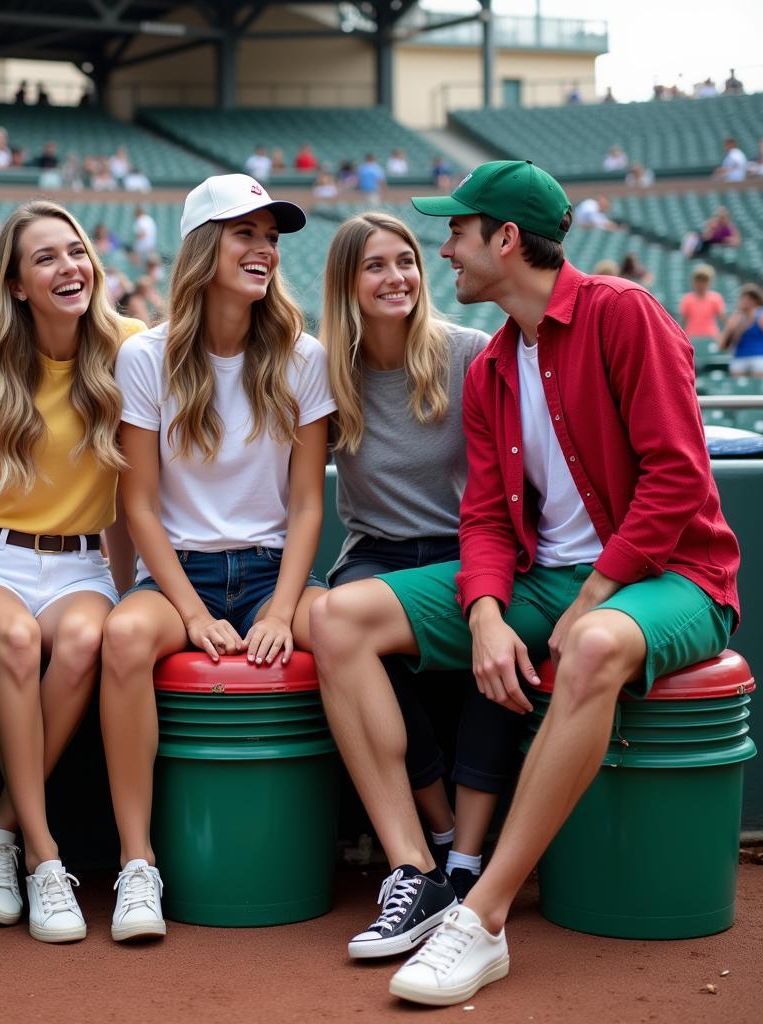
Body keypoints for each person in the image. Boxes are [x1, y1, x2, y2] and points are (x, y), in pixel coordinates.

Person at [310, 160, 739, 1006]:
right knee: (338, 619)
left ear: (506, 240)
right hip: (546, 579)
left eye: (457, 235)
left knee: (588, 644)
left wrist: (590, 597)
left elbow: (677, 480)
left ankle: (483, 919)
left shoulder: (624, 314)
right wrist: (483, 613)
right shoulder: (495, 362)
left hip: (673, 578)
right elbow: (486, 520)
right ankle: (421, 873)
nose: (445, 253)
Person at [100, 173, 335, 943]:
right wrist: (195, 613)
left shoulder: (304, 356)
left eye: (271, 237)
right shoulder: (145, 355)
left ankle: (396, 849)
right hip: (180, 578)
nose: (264, 249)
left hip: (273, 570)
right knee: (125, 638)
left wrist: (277, 609)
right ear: (206, 247)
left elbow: (306, 506)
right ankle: (138, 864)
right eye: (246, 234)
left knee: (339, 625)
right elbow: (137, 506)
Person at [0, 200, 145, 943]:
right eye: (46, 257)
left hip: (81, 565)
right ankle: (43, 856)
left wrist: (128, 582)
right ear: (16, 282)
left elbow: (137, 489)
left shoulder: (130, 347)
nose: (68, 267)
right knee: (18, 641)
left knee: (86, 643)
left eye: (76, 251)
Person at [321, 213, 523, 930]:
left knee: (498, 656)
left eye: (405, 261)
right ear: (347, 282)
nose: (396, 277)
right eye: (375, 266)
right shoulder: (325, 369)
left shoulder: (469, 352)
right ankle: (436, 834)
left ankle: (466, 859)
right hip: (375, 552)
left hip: (467, 548)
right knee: (339, 626)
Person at [719, 283, 763, 377]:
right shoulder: (736, 318)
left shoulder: (761, 316)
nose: (743, 301)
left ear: (755, 300)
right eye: (743, 298)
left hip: (758, 357)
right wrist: (732, 327)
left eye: (747, 298)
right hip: (739, 358)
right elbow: (722, 345)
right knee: (737, 370)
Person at [679, 265, 726, 340]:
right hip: (692, 337)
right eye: (698, 280)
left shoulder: (716, 298)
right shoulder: (687, 299)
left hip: (711, 337)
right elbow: (684, 321)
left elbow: (723, 319)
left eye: (704, 280)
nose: (701, 284)